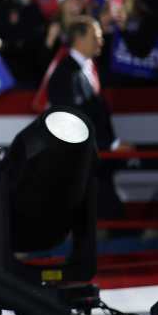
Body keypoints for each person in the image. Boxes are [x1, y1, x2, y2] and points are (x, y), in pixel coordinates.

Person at [45, 16, 125, 218]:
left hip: (95, 162)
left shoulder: (88, 68)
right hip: (83, 164)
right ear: (79, 39)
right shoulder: (65, 74)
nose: (101, 41)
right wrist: (110, 147)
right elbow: (74, 122)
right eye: (96, 36)